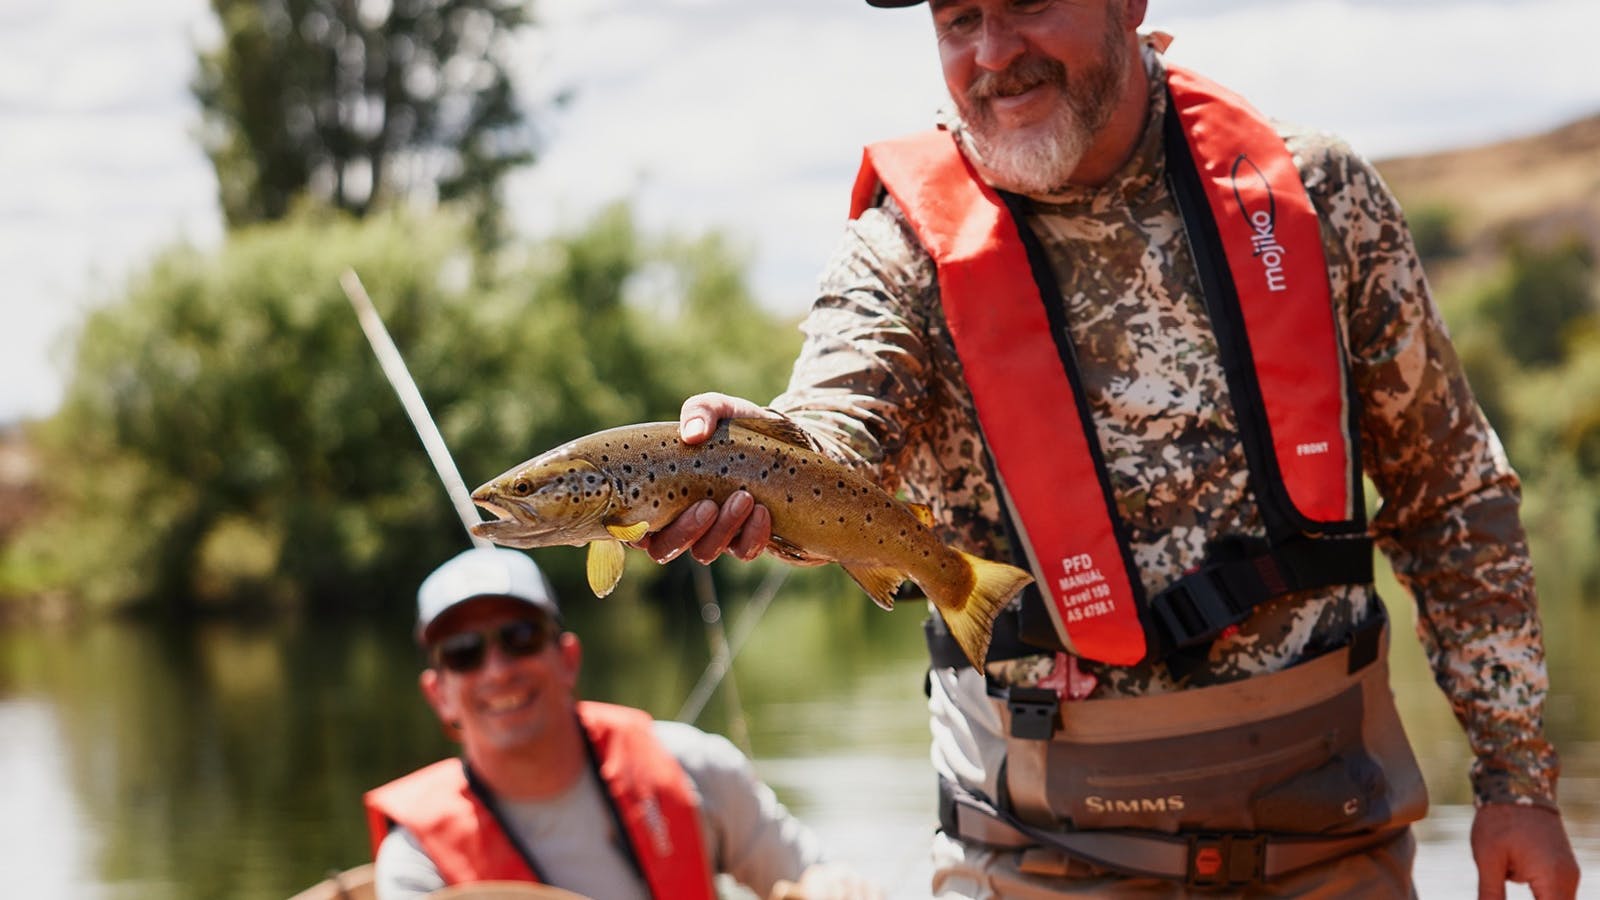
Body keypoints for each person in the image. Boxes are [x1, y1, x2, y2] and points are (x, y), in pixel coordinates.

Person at [636, 1, 1583, 897]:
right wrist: (759, 456)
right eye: (960, 18)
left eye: (1028, 3)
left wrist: (1517, 783)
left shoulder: (1315, 193)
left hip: (1327, 844)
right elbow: (836, 430)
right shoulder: (896, 254)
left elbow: (1452, 497)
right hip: (1033, 859)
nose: (995, 52)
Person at [365, 546, 881, 900]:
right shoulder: (415, 863)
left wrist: (830, 885)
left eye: (520, 637)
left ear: (568, 659)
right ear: (439, 695)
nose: (498, 671)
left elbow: (813, 870)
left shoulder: (692, 764)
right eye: (463, 653)